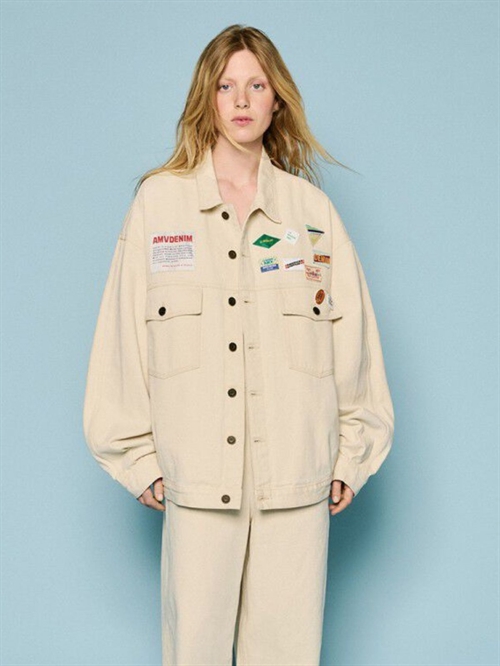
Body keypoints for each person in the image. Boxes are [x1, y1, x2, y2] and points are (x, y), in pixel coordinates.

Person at [83, 24, 395, 666]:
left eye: (257, 85)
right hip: (198, 484)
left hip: (296, 484)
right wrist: (136, 457)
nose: (242, 100)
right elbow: (121, 335)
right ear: (208, 97)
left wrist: (352, 455)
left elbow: (353, 341)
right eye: (227, 86)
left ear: (277, 99)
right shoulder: (159, 206)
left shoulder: (312, 215)